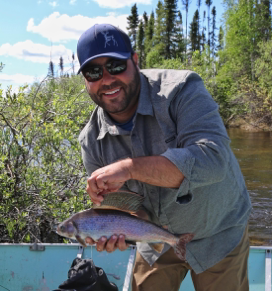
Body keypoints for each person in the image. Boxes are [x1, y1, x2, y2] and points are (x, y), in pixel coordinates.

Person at [77, 23, 252, 291]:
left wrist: (130, 168)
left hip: (218, 231)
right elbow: (135, 212)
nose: (107, 79)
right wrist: (116, 228)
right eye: (93, 72)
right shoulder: (91, 142)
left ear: (134, 61)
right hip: (156, 241)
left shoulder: (182, 91)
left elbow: (214, 161)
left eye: (115, 66)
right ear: (86, 81)